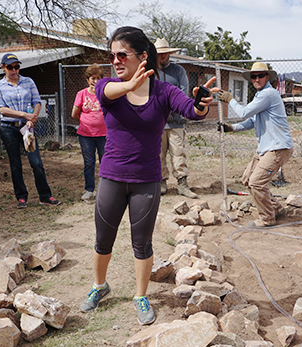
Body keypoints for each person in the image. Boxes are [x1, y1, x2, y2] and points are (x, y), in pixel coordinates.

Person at [78, 26, 215, 325]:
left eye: (121, 55)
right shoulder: (107, 87)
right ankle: (99, 286)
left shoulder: (164, 91)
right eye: (112, 55)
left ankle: (141, 295)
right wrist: (129, 84)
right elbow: (111, 91)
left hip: (147, 180)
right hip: (112, 177)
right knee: (104, 239)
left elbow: (191, 111)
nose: (115, 60)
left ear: (141, 56)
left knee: (142, 242)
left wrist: (202, 103)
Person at [216, 62, 294, 227]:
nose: (257, 79)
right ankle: (276, 208)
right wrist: (231, 128)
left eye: (260, 76)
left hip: (278, 148)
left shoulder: (269, 94)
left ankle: (267, 219)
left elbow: (244, 113)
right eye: (254, 76)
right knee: (247, 180)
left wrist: (230, 99)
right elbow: (252, 120)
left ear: (267, 77)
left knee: (256, 182)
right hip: (266, 148)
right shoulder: (260, 96)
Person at [0, 53, 61, 209]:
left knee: (36, 163)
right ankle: (21, 197)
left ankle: (45, 196)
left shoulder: (28, 82)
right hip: (8, 128)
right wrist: (24, 114)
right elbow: (2, 110)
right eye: (10, 67)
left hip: (27, 128)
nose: (14, 70)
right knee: (15, 164)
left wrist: (33, 117)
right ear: (3, 68)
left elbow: (36, 101)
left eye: (17, 66)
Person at [154, 38, 197, 199]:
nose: (163, 56)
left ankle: (182, 184)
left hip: (176, 121)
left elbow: (183, 93)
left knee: (178, 153)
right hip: (157, 122)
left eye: (165, 53)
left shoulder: (178, 71)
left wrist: (172, 108)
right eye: (160, 53)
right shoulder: (151, 72)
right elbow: (149, 95)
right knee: (158, 154)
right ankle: (161, 182)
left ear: (169, 54)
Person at [71, 64, 106, 201]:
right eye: (93, 78)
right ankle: (89, 190)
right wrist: (86, 121)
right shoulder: (82, 94)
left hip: (103, 134)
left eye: (98, 78)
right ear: (88, 79)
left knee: (105, 162)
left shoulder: (104, 94)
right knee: (89, 162)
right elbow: (74, 114)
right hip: (86, 135)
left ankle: (105, 190)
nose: (95, 81)